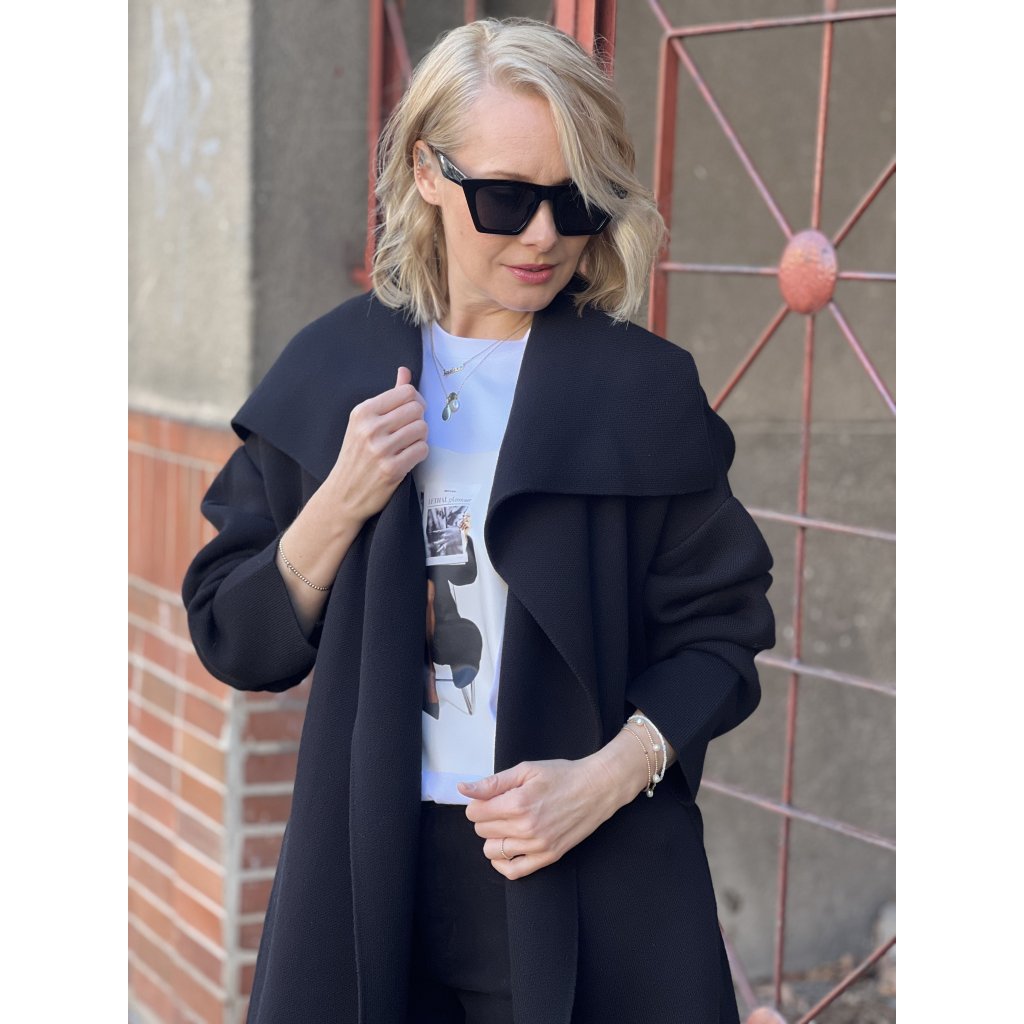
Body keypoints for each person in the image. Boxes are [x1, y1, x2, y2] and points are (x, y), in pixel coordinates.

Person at [182, 16, 775, 1024]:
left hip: (594, 878)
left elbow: (722, 639)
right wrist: (342, 498)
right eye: (504, 198)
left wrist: (600, 781)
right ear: (427, 172)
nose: (542, 236)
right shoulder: (333, 369)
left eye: (575, 202)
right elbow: (234, 636)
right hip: (372, 869)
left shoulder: (640, 394)